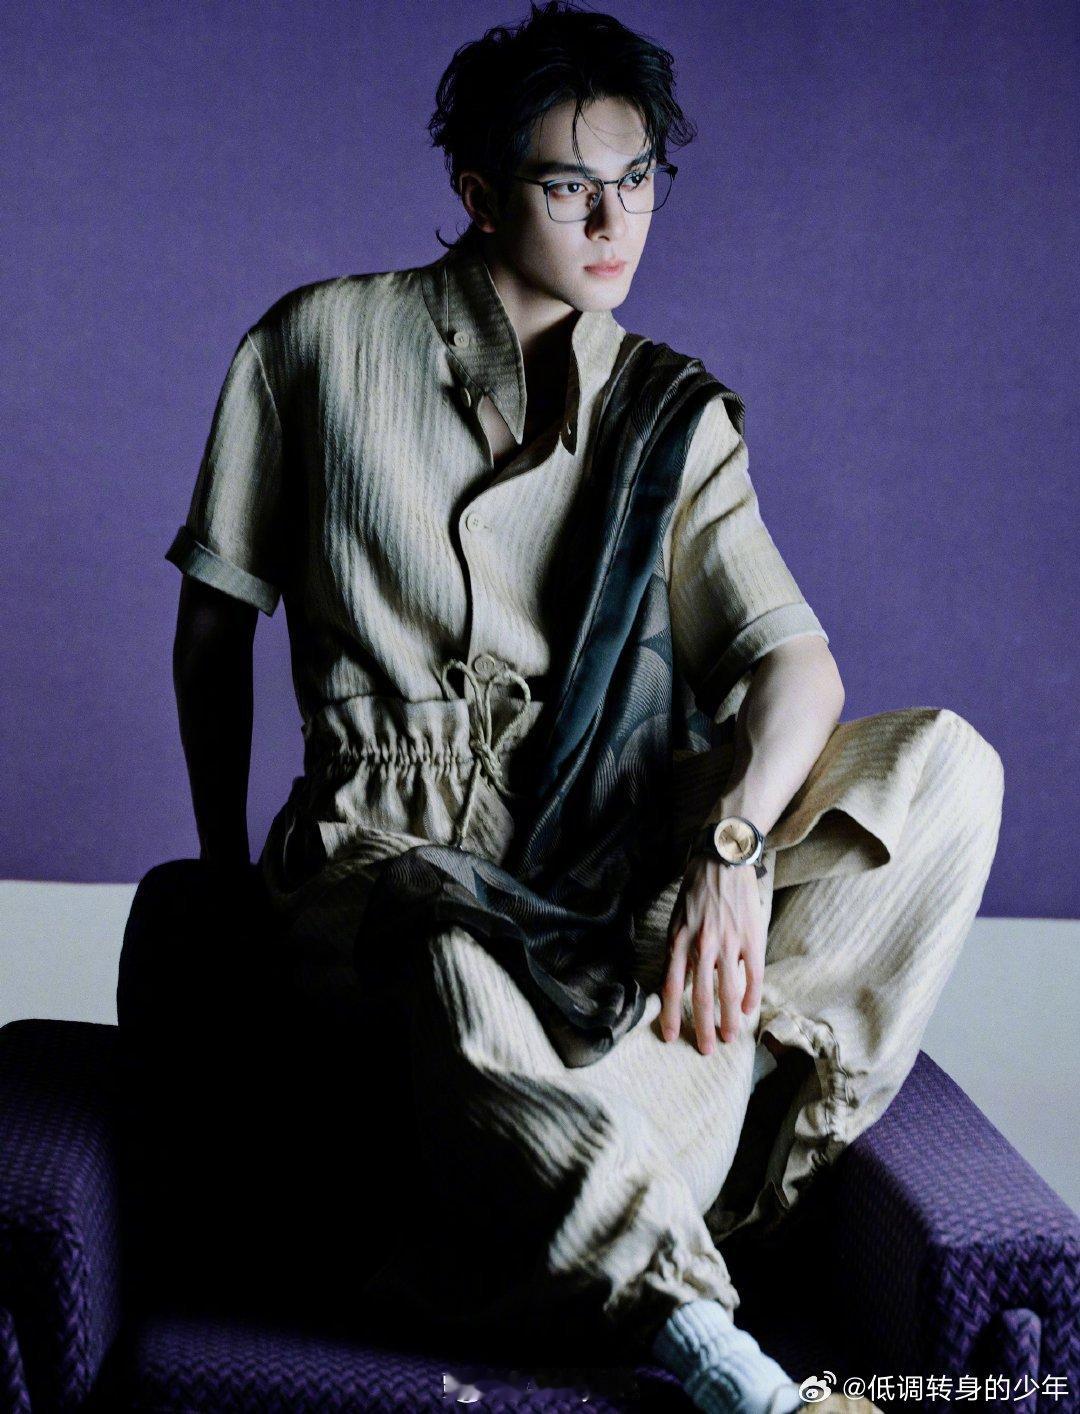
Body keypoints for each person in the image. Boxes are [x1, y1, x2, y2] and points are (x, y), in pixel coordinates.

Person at [117, 5, 1005, 1412]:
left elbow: (800, 669)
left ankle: (580, 1180)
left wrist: (729, 851)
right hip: (383, 872)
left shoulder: (669, 413)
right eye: (568, 186)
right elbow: (211, 634)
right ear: (479, 194)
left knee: (944, 770)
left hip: (610, 882)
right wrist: (227, 875)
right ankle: (725, 1359)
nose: (614, 220)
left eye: (638, 179)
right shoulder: (313, 347)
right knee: (448, 946)